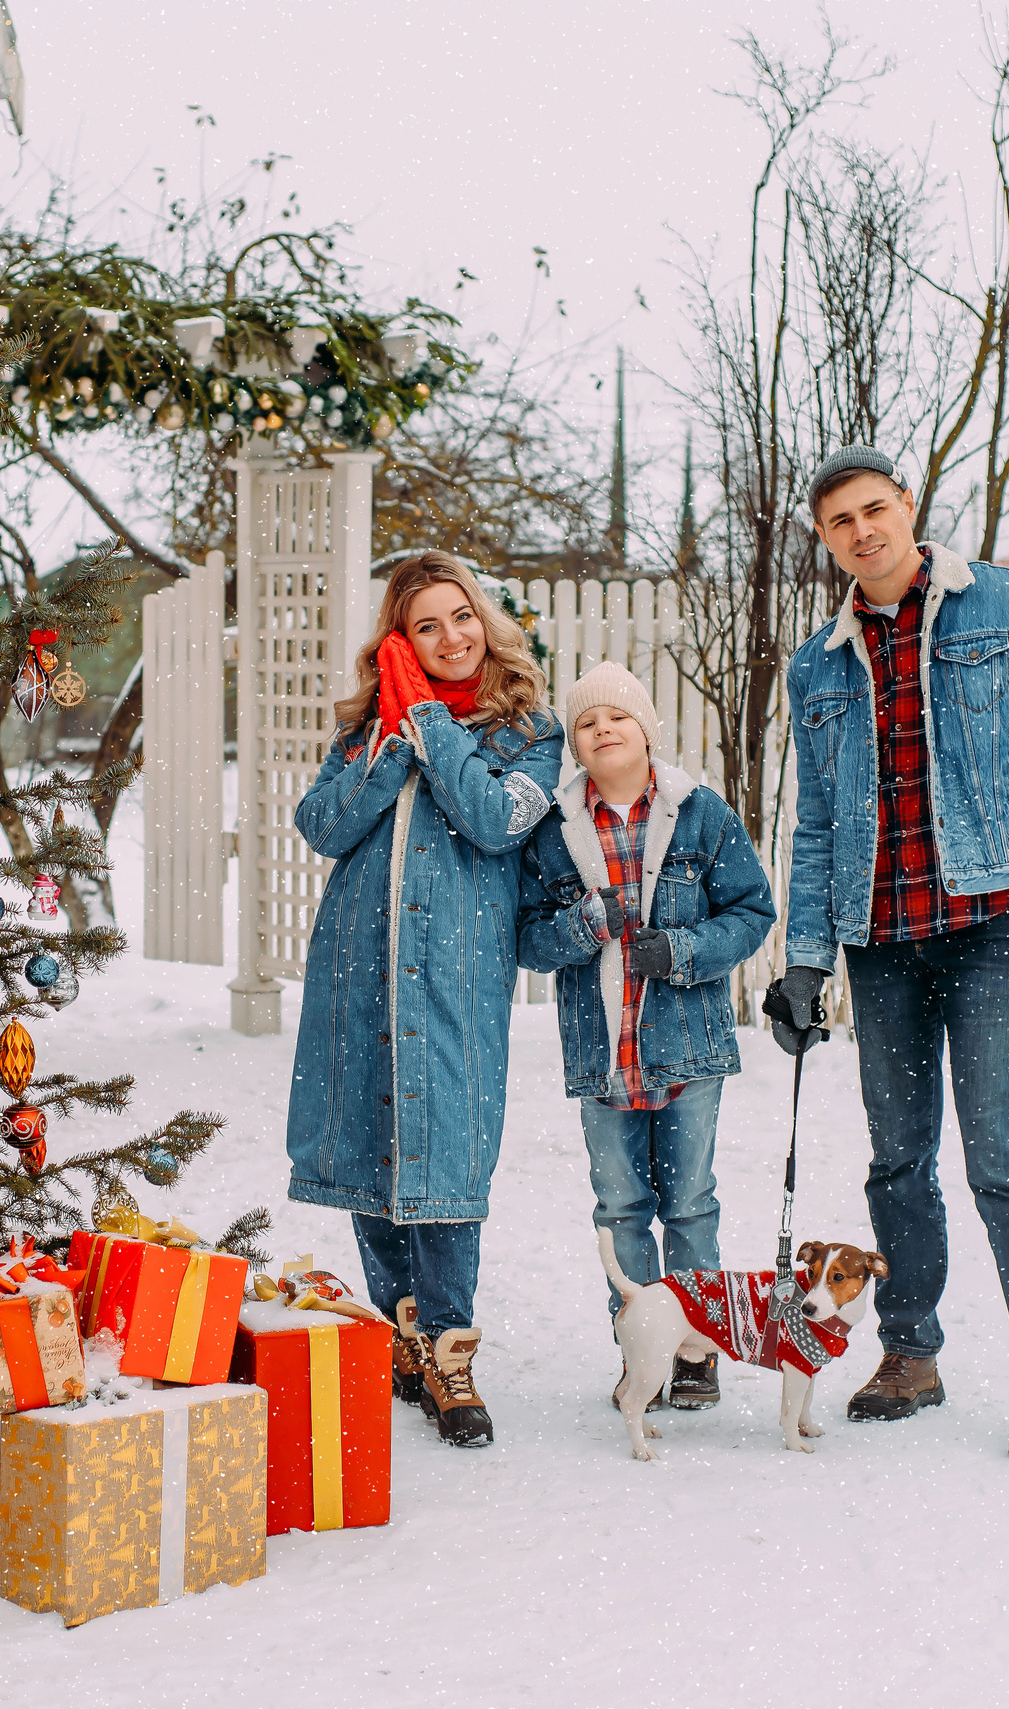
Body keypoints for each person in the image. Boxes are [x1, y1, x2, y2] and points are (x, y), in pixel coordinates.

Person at [769, 445, 1009, 1462]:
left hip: (988, 919)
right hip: (877, 935)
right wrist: (804, 958)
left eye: (874, 509)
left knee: (1000, 1153)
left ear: (908, 508)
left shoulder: (1007, 608)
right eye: (840, 521)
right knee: (896, 1158)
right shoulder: (819, 663)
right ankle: (909, 1353)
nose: (861, 530)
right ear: (826, 539)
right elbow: (818, 821)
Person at [286, 551, 564, 1448]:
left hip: (454, 975)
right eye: (425, 626)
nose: (450, 637)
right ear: (398, 641)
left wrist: (431, 726)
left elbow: (493, 823)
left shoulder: (531, 733)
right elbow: (322, 824)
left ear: (486, 619)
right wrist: (391, 737)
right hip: (359, 968)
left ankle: (452, 1345)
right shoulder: (368, 729)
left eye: (461, 616)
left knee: (445, 1150)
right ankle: (401, 1329)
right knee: (370, 1140)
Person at [518, 663, 774, 1412]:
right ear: (576, 744)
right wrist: (585, 924)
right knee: (621, 1206)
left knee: (690, 1203)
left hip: (686, 1048)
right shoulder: (555, 834)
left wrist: (686, 950)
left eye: (618, 717)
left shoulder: (701, 815)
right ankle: (641, 1350)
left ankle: (696, 1350)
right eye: (587, 722)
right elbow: (529, 940)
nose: (603, 729)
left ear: (647, 731)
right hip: (604, 1056)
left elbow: (753, 911)